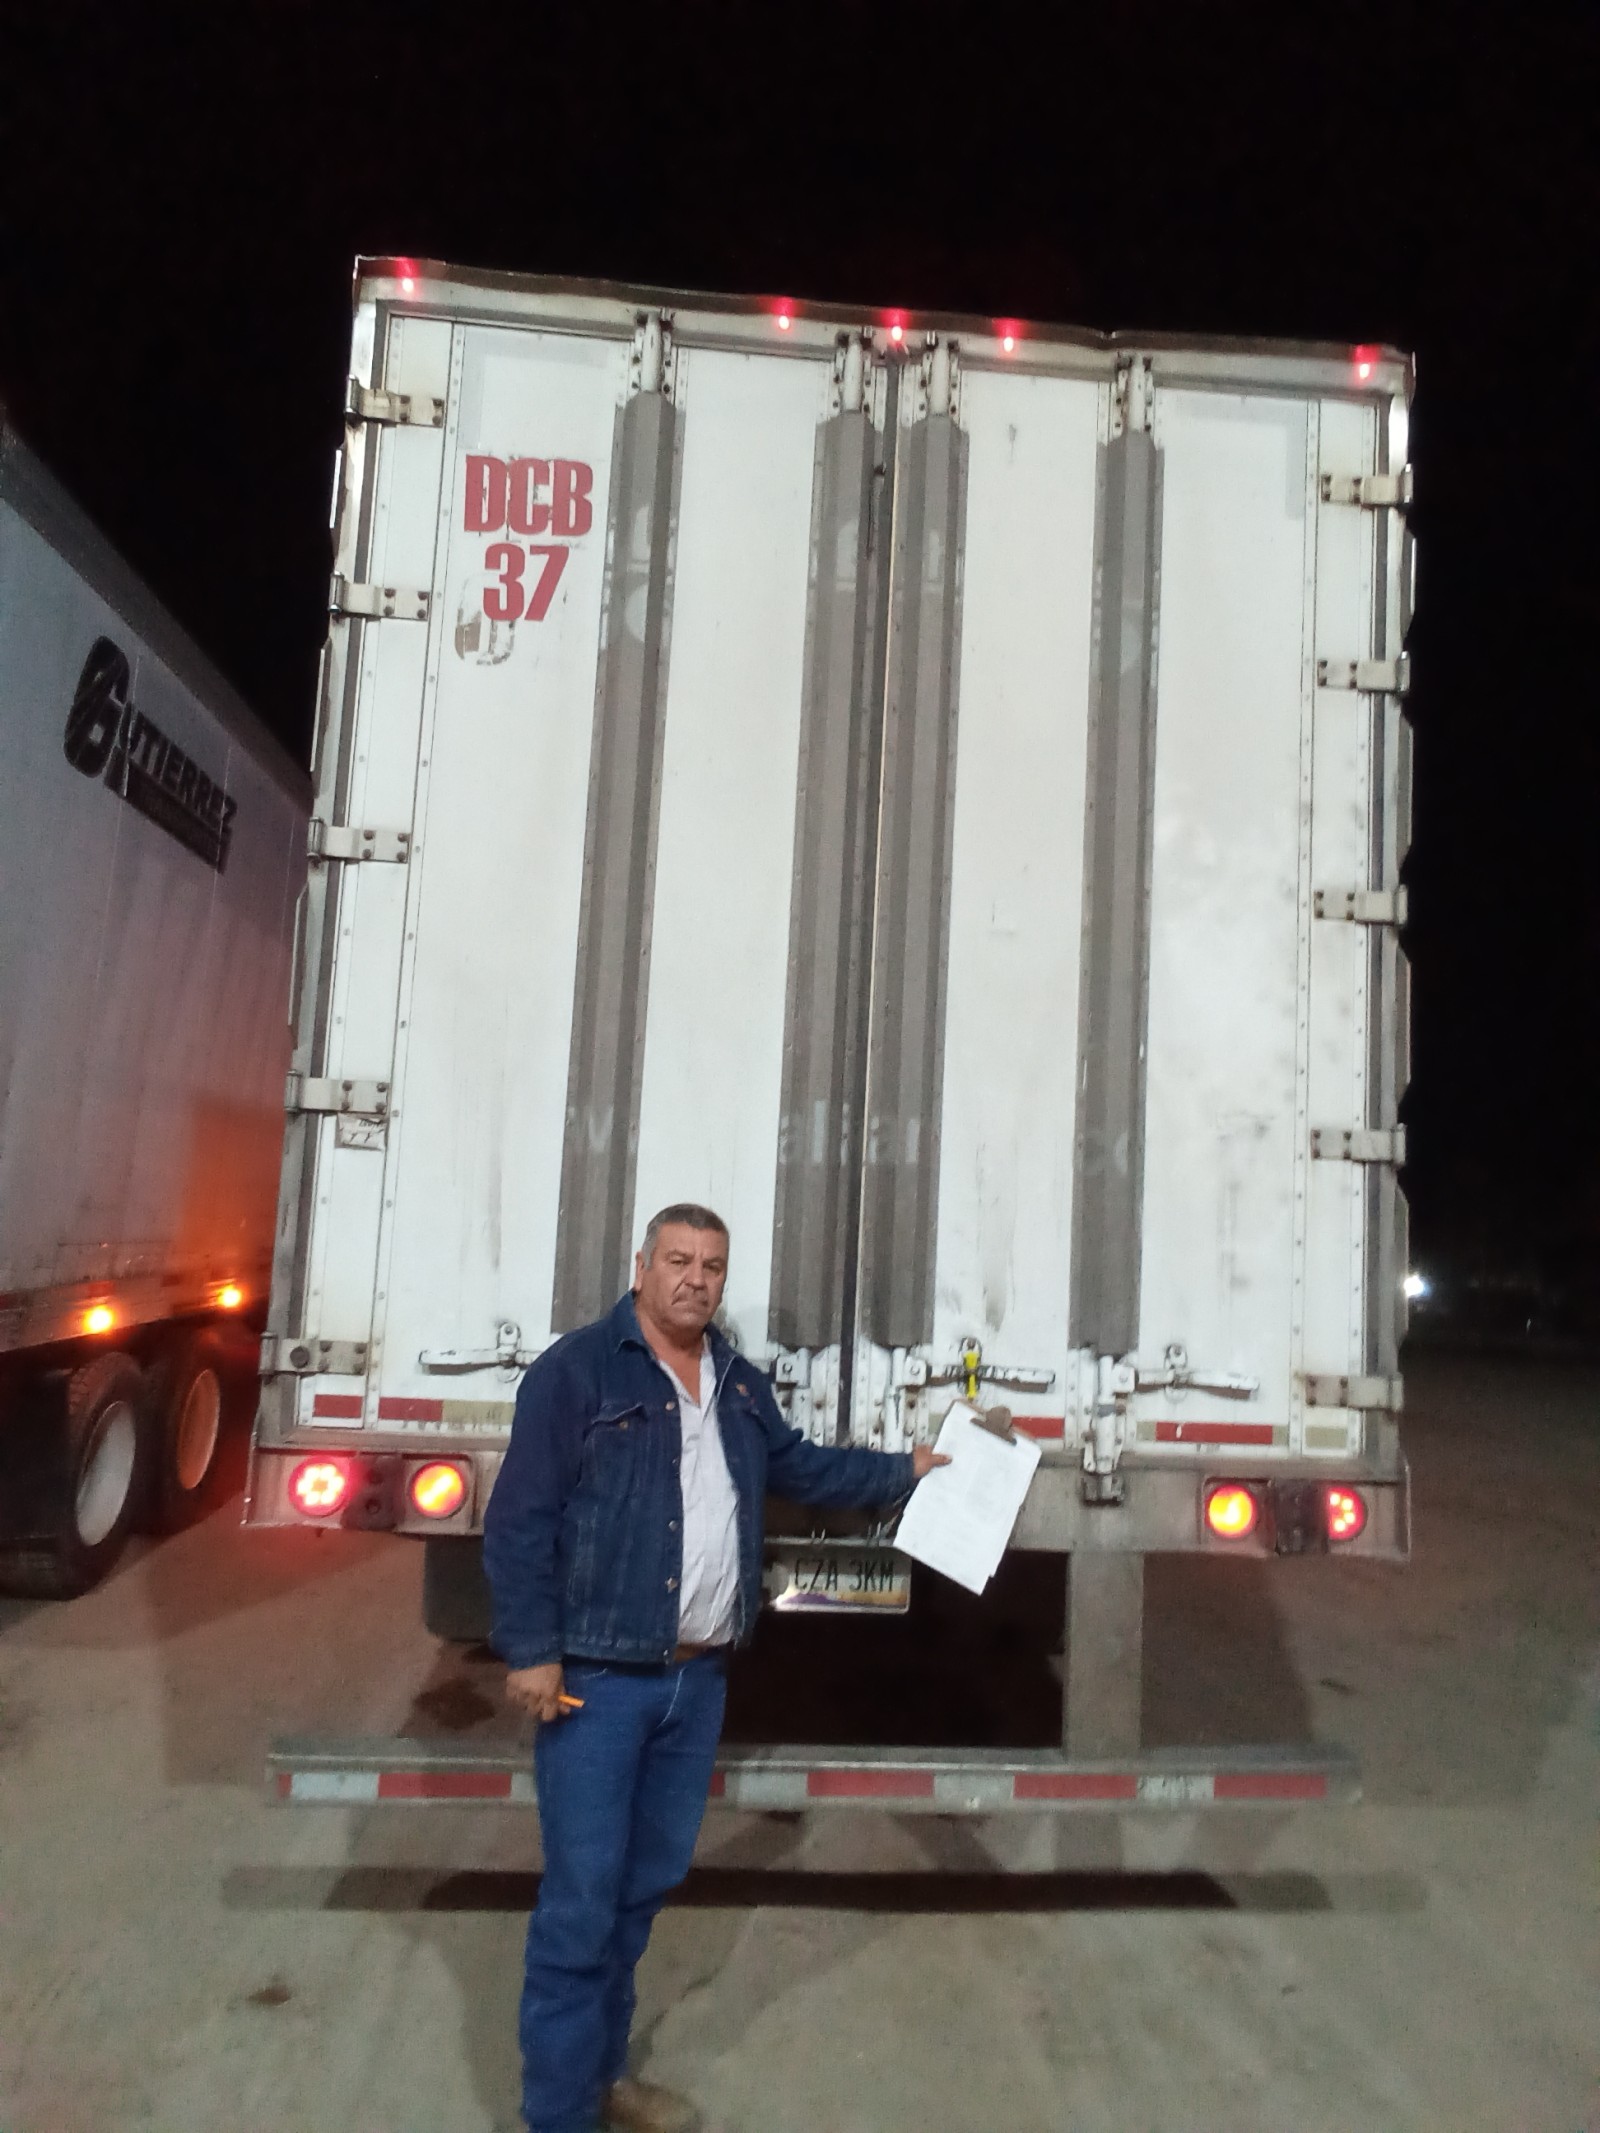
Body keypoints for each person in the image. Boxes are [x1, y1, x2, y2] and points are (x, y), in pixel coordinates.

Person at [484, 1201, 948, 2133]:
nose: (696, 1279)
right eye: (679, 1260)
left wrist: (909, 1467)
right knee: (581, 1908)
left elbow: (801, 1467)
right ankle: (557, 2116)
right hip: (598, 1682)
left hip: (695, 1684)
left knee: (639, 1894)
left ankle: (604, 2077)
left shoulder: (735, 1381)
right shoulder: (577, 1371)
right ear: (641, 1266)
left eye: (712, 1266)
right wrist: (532, 1648)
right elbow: (520, 1517)